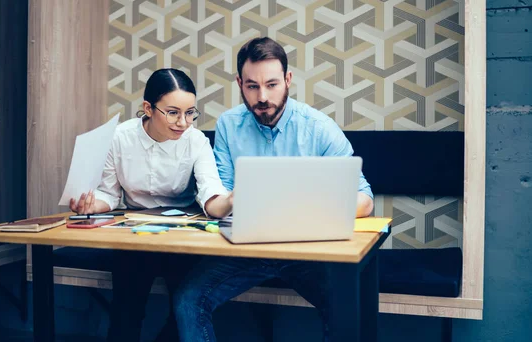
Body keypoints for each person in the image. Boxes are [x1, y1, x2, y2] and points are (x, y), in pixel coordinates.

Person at [172, 37, 374, 342]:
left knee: (345, 305)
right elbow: (223, 193)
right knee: (187, 298)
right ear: (239, 83)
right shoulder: (229, 125)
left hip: (308, 253)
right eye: (252, 86)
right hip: (245, 249)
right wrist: (230, 199)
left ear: (288, 80)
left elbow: (365, 199)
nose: (262, 96)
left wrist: (308, 207)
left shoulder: (317, 127)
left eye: (272, 84)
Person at [69, 68, 233, 341]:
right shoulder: (119, 138)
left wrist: (231, 199)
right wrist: (90, 205)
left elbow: (211, 198)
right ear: (148, 108)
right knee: (125, 311)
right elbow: (109, 195)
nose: (183, 122)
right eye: (173, 112)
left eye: (190, 112)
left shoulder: (196, 141)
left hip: (182, 236)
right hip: (136, 234)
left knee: (186, 309)